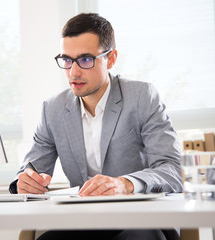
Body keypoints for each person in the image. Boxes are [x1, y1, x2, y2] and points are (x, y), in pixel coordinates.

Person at [9, 13, 183, 240]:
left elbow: (172, 170)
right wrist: (26, 182)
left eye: (85, 59)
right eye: (67, 60)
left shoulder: (142, 97)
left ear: (110, 59)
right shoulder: (52, 109)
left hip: (142, 218)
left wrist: (125, 184)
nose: (73, 72)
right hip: (84, 223)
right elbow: (31, 170)